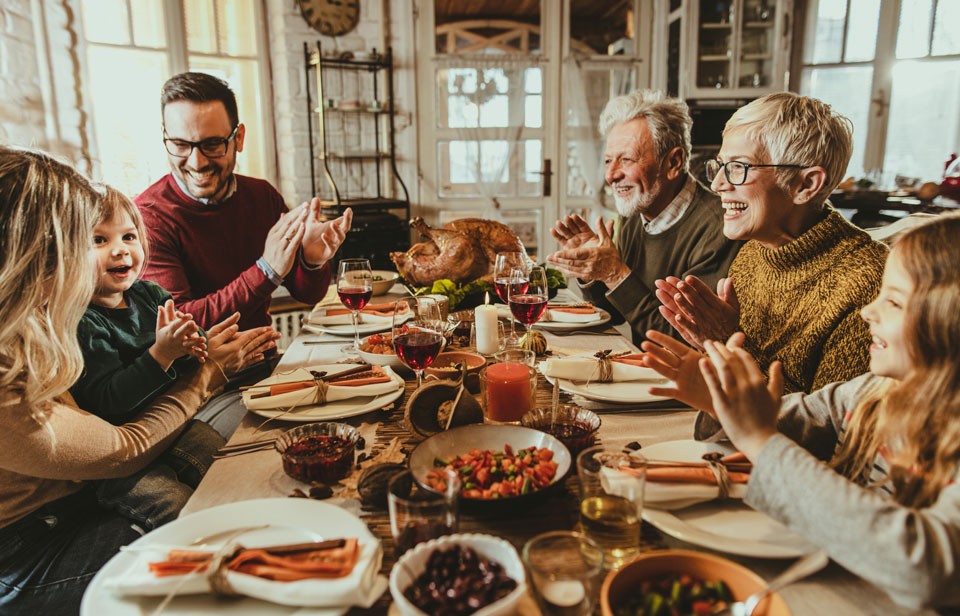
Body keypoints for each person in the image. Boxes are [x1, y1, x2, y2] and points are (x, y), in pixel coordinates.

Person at [0, 146, 277, 612]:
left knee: (244, 473)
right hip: (36, 548)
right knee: (214, 540)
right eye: (81, 242)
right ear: (33, 259)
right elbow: (121, 450)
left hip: (84, 492)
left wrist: (201, 354)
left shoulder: (37, 319)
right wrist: (206, 375)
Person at [645, 214, 960, 610]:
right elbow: (796, 419)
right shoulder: (874, 391)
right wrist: (720, 401)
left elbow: (923, 569)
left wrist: (758, 437)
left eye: (894, 301)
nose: (868, 312)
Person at [656, 92, 887, 392]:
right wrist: (711, 346)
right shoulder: (753, 254)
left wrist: (728, 342)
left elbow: (824, 428)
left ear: (806, 185)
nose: (717, 185)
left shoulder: (868, 285)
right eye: (721, 166)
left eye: (738, 167)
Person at [136, 71, 353, 332]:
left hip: (263, 361)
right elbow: (180, 324)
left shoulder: (262, 196)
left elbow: (307, 294)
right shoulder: (148, 217)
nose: (197, 162)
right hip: (201, 372)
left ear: (238, 138)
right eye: (180, 144)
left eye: (213, 144)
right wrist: (267, 269)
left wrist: (311, 261)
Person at [70, 186, 232, 530]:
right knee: (172, 502)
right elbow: (109, 399)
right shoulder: (83, 320)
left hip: (173, 428)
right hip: (122, 450)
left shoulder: (150, 294)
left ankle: (243, 530)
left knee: (222, 461)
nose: (120, 250)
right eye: (99, 241)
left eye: (129, 236)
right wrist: (161, 354)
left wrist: (194, 343)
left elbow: (191, 349)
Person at [546, 90, 741, 344]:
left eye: (626, 159)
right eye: (607, 161)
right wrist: (594, 273)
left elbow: (683, 341)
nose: (611, 175)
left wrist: (615, 274)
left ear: (673, 162)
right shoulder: (635, 211)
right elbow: (614, 314)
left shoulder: (719, 229)